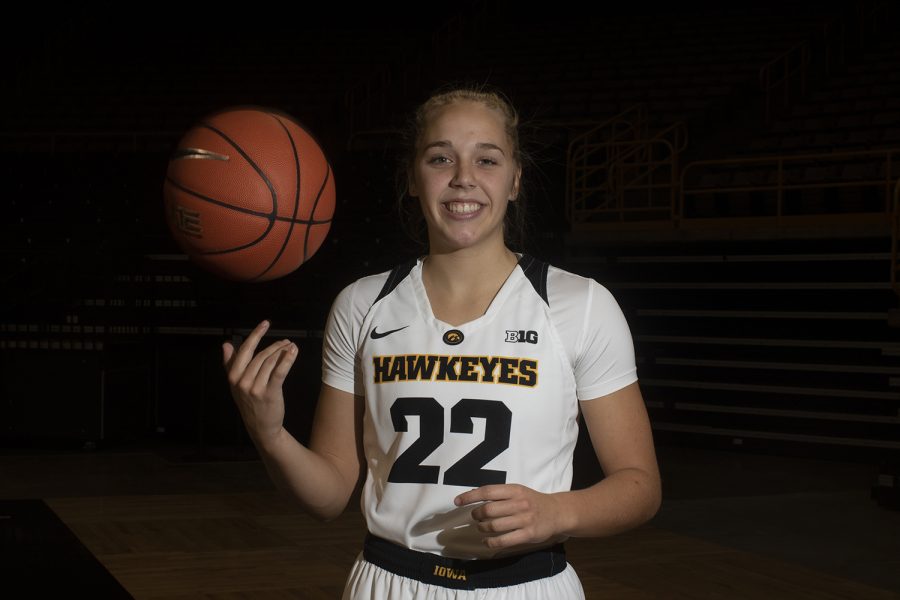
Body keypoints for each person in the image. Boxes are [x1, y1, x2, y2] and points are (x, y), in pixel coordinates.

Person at [222, 86, 661, 599]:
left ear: (516, 180)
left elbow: (640, 485)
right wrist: (270, 434)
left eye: (487, 159)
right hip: (390, 583)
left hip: (527, 585)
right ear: (412, 176)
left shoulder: (579, 305)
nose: (463, 178)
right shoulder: (363, 305)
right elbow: (327, 495)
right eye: (440, 157)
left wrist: (559, 511)